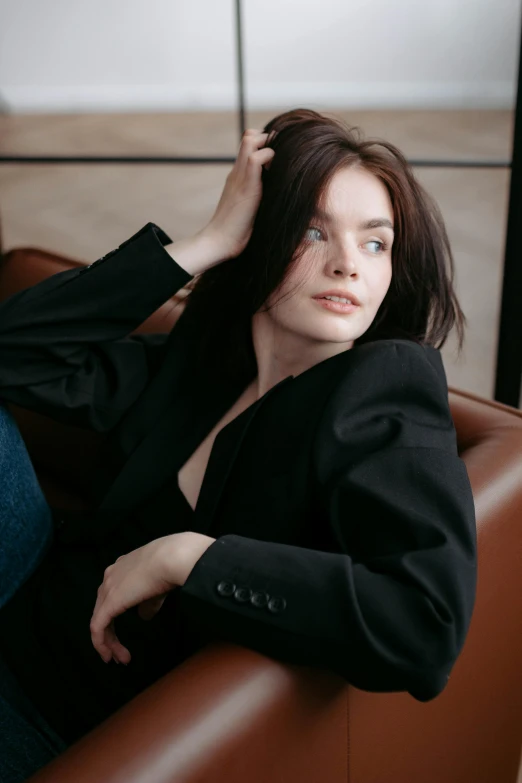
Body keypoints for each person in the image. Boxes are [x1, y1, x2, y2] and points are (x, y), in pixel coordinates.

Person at [0, 108, 477, 782]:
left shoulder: (383, 388)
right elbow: (12, 354)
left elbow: (424, 623)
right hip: (19, 595)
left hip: (53, 719)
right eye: (314, 230)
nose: (347, 264)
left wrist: (191, 557)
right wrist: (206, 240)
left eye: (376, 243)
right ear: (258, 236)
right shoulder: (199, 362)